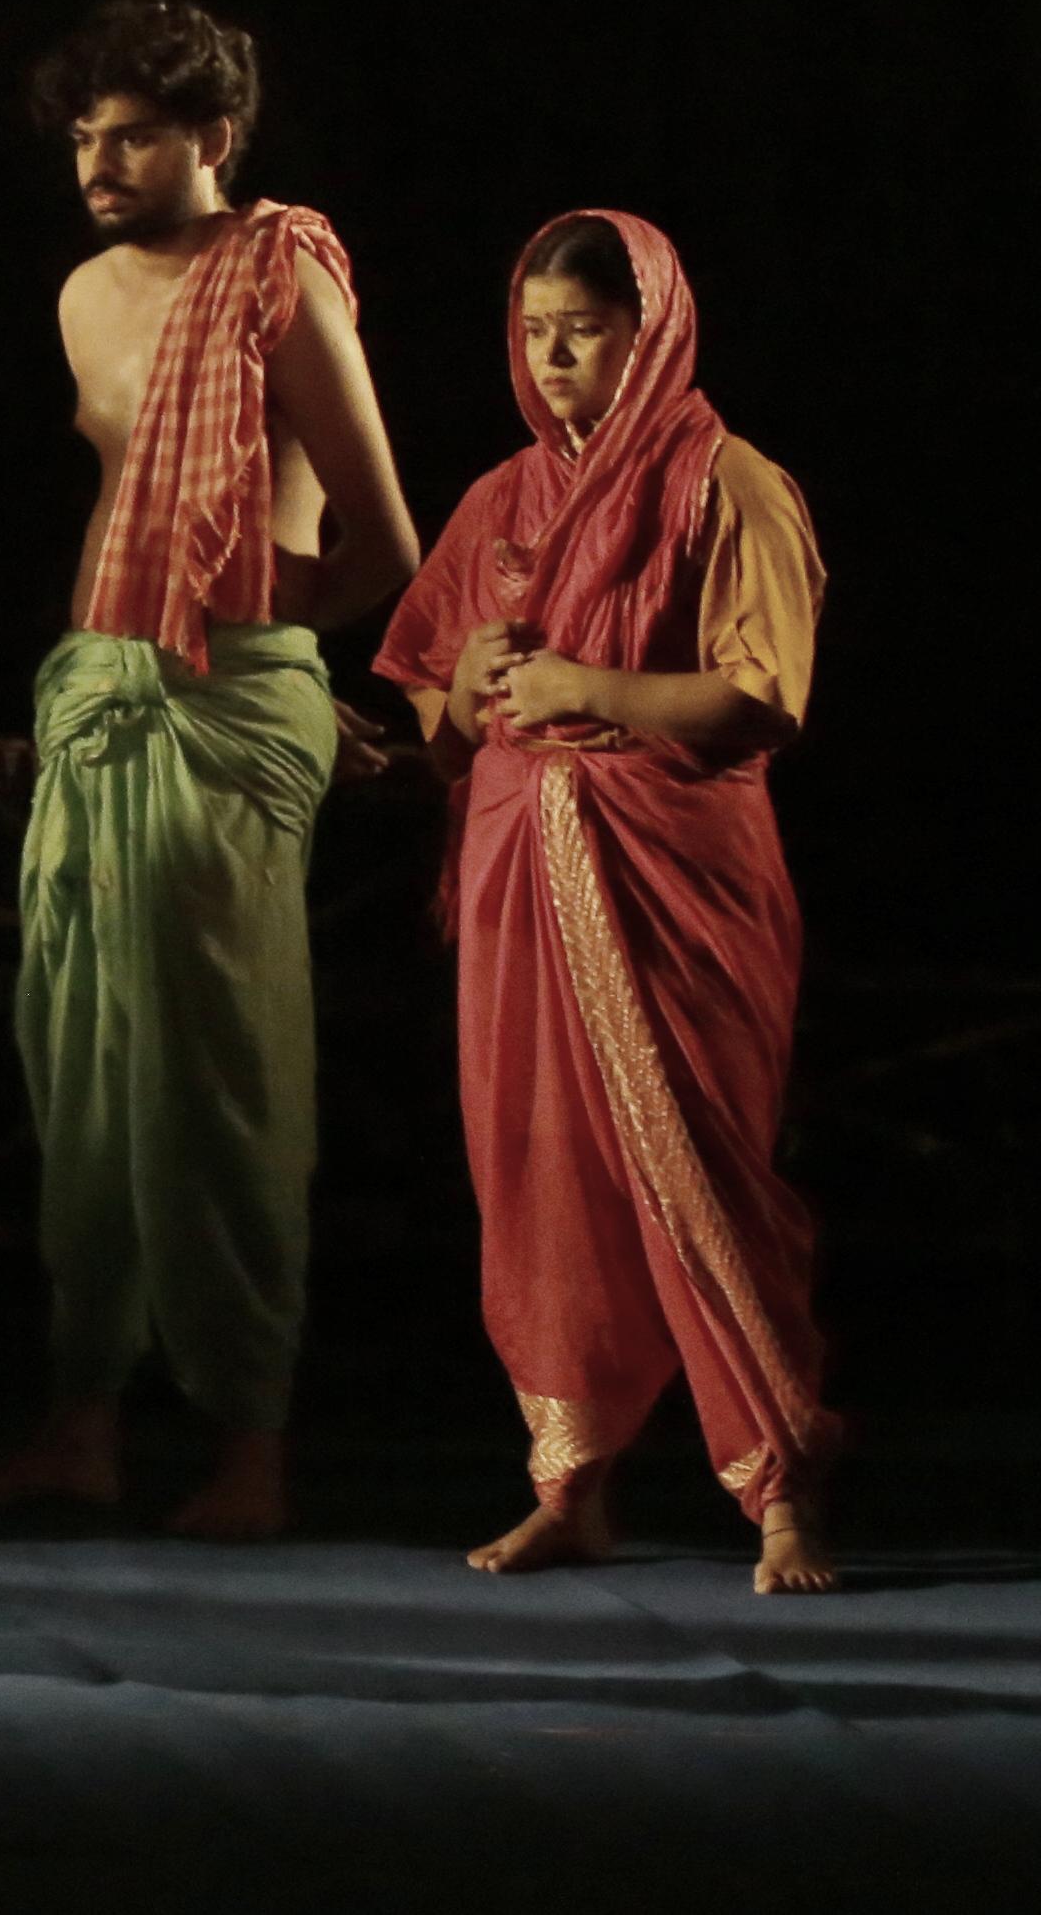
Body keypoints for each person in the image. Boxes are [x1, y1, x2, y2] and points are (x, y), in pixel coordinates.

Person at [0, 0, 416, 1540]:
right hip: (97, 689)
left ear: (215, 136)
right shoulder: (84, 292)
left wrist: (249, 645)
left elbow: (383, 544)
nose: (98, 161)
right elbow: (123, 495)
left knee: (219, 1078)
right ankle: (82, 1421)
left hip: (222, 698)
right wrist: (113, 656)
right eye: (84, 136)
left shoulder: (280, 274)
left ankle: (248, 1446)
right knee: (84, 1071)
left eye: (134, 133)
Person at [381, 212, 838, 1595]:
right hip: (521, 872)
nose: (554, 356)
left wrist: (589, 689)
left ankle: (781, 1489)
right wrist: (474, 684)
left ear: (654, 333)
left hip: (676, 873)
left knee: (699, 1164)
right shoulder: (502, 498)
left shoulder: (728, 483)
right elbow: (430, 700)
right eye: (534, 331)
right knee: (540, 1172)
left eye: (584, 329)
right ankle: (569, 1485)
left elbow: (763, 693)